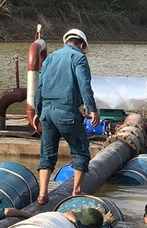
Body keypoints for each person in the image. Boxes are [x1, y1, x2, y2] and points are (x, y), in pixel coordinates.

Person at [33, 28, 100, 205]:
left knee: (47, 154)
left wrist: (37, 111)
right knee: (80, 151)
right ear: (82, 44)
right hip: (66, 113)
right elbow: (84, 84)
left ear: (66, 41)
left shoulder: (50, 58)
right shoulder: (79, 58)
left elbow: (40, 87)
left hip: (47, 112)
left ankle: (42, 194)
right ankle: (76, 190)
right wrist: (92, 109)